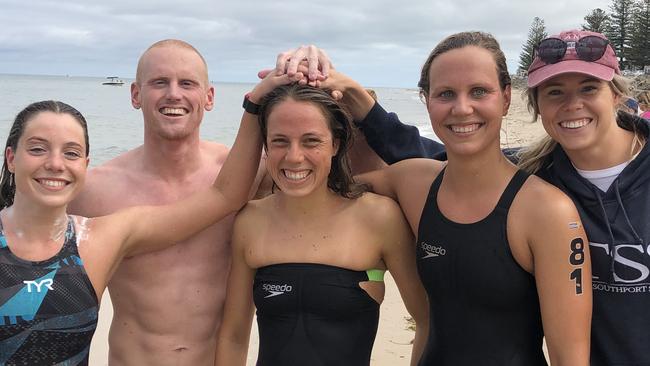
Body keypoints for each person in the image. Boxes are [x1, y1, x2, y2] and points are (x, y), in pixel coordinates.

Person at [295, 32, 592, 365]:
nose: (462, 108)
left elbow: (571, 358)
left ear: (506, 97)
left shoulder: (547, 212)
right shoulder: (412, 183)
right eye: (446, 94)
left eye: (479, 91)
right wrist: (309, 81)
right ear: (426, 100)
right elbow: (312, 186)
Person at [68, 40, 316, 365]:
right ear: (135, 94)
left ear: (209, 97)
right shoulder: (94, 189)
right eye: (159, 82)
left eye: (187, 83)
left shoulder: (247, 174)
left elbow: (331, 175)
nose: (174, 94)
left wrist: (314, 72)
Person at [0, 94, 265, 364]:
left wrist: (256, 104)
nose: (55, 164)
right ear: (11, 158)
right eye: (37, 149)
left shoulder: (99, 240)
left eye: (71, 153)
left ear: (86, 166)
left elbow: (224, 196)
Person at [214, 84, 428, 366]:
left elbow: (426, 320)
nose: (294, 156)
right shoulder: (250, 221)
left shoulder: (379, 218)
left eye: (311, 141)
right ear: (265, 145)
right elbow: (234, 336)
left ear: (336, 144)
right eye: (279, 141)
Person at [516, 29, 650, 366]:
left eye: (589, 88)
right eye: (554, 92)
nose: (572, 104)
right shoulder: (534, 178)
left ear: (617, 95)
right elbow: (450, 160)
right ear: (538, 106)